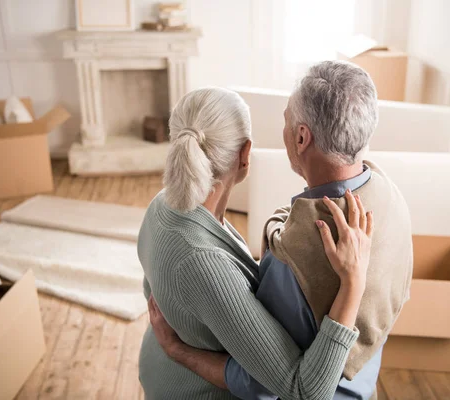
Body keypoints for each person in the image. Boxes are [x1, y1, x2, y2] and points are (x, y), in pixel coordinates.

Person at [148, 61, 413, 399]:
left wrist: (178, 352)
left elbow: (265, 383)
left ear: (302, 137)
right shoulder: (391, 196)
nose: (283, 130)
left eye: (286, 120)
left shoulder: (293, 262)